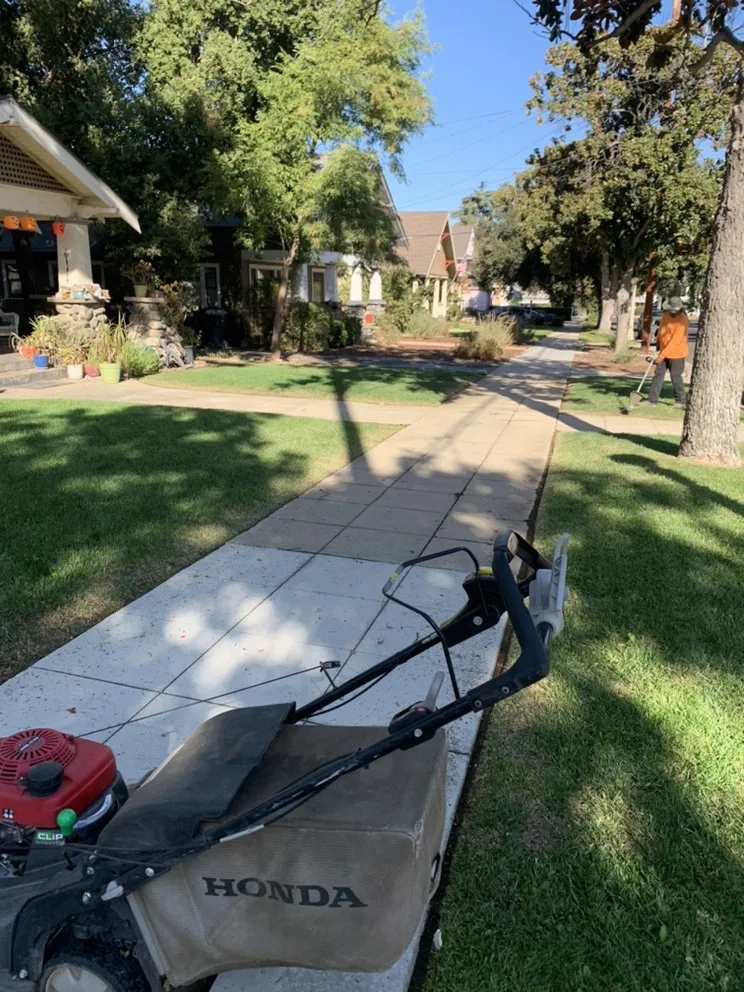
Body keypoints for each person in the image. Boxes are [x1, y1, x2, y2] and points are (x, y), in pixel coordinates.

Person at [647, 296, 688, 408]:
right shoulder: (665, 315)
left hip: (677, 353)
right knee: (658, 374)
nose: (673, 312)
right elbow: (662, 329)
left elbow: (675, 341)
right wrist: (658, 343)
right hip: (663, 350)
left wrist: (662, 355)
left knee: (675, 376)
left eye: (675, 310)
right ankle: (651, 400)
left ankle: (681, 401)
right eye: (672, 310)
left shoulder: (683, 319)